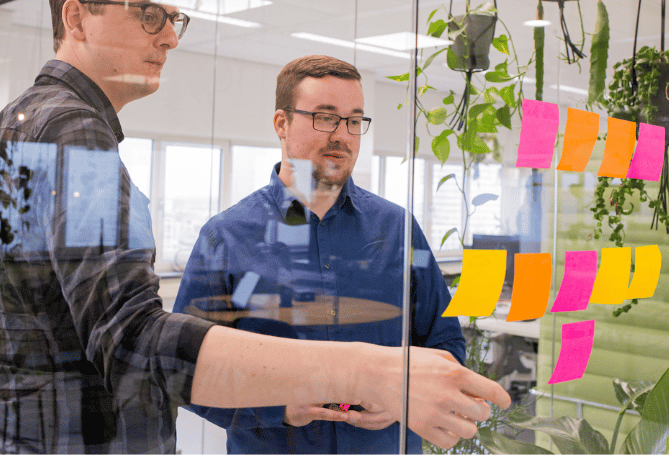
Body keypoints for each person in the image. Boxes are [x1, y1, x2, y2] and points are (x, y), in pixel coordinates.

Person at [0, 0, 510, 454]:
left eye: (174, 19)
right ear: (77, 17)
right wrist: (363, 374)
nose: (170, 37)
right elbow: (133, 343)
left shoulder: (24, 124)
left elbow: (46, 334)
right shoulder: (73, 133)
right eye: (149, 14)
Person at [173, 55, 467, 453]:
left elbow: (445, 344)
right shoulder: (226, 236)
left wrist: (403, 397)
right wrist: (278, 407)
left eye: (353, 121)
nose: (342, 135)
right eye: (325, 118)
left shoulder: (397, 228)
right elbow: (184, 369)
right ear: (281, 123)